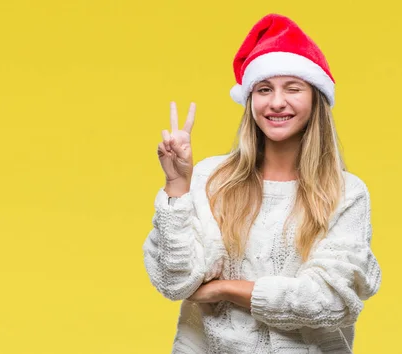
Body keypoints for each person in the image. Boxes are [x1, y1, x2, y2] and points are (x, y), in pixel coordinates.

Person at [143, 13, 382, 353]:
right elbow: (175, 281)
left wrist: (227, 289)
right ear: (250, 101)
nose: (276, 102)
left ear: (316, 100)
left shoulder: (345, 193)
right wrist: (178, 187)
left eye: (293, 88)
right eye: (264, 89)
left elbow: (330, 301)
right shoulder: (211, 179)